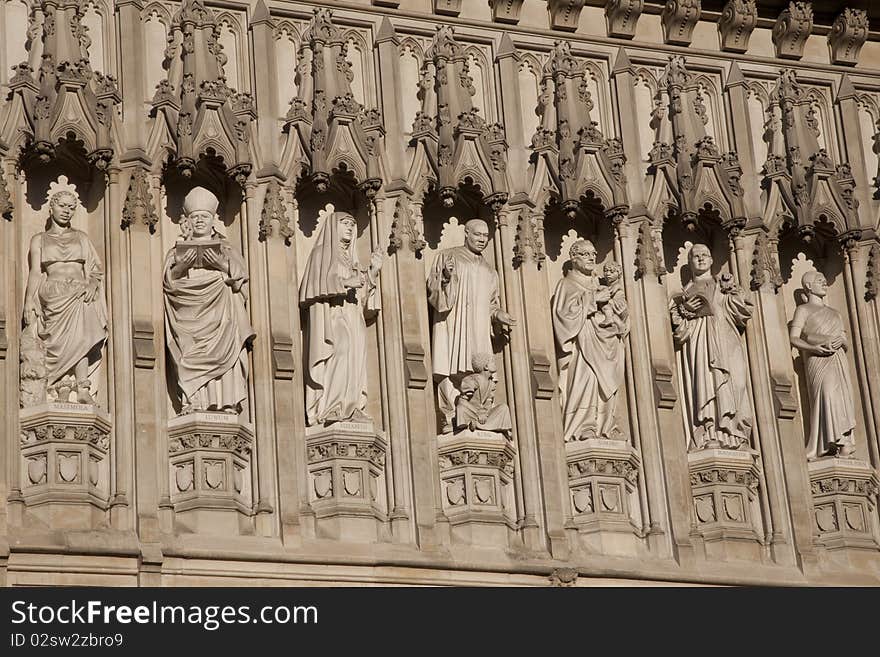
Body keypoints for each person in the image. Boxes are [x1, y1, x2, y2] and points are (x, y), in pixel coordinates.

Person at [163, 186, 255, 414]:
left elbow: (242, 281)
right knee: (188, 353)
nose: (199, 221)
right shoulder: (176, 251)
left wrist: (221, 264)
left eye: (204, 216)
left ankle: (225, 402)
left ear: (213, 220)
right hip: (188, 312)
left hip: (221, 311)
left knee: (224, 347)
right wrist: (181, 267)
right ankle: (194, 401)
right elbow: (168, 282)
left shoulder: (226, 248)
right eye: (195, 217)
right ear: (188, 221)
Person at [427, 219, 516, 433]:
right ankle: (449, 416)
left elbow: (491, 303)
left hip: (478, 331)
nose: (482, 240)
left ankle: (481, 413)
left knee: (480, 371)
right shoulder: (449, 257)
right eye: (478, 235)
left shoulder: (489, 270)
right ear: (466, 234)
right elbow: (435, 293)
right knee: (450, 368)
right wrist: (446, 278)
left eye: (486, 236)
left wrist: (498, 315)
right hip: (454, 325)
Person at [21, 189, 108, 404]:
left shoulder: (81, 237)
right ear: (51, 208)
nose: (66, 211)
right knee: (53, 341)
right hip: (53, 294)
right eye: (62, 206)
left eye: (71, 207)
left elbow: (96, 268)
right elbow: (35, 272)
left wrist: (92, 283)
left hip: (79, 292)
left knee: (82, 338)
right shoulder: (39, 240)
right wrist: (29, 301)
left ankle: (82, 387)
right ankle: (57, 385)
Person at [300, 212, 383, 426]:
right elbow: (313, 288)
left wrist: (372, 272)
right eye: (345, 224)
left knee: (355, 358)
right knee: (341, 350)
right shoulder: (321, 254)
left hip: (353, 316)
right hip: (333, 316)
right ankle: (331, 406)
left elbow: (364, 301)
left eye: (352, 225)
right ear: (333, 227)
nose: (349, 228)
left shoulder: (352, 259)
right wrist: (345, 282)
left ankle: (351, 406)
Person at [670, 243, 753, 450]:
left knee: (736, 385)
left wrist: (733, 292)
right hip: (701, 345)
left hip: (728, 343)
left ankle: (735, 434)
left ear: (712, 260)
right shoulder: (684, 293)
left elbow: (743, 312)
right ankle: (711, 434)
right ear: (689, 262)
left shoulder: (723, 286)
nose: (701, 258)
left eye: (705, 254)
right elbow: (678, 328)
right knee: (706, 384)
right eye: (696, 256)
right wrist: (685, 310)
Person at [552, 240, 628, 442]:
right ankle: (584, 425)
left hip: (606, 343)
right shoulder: (566, 284)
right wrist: (594, 300)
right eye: (585, 254)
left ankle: (605, 425)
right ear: (573, 258)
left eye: (593, 254)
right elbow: (563, 316)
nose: (592, 258)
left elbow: (621, 314)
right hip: (583, 342)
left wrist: (619, 314)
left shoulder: (600, 284)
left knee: (606, 384)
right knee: (585, 380)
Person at [789, 271, 856, 459]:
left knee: (842, 398)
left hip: (837, 358)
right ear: (808, 286)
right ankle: (824, 443)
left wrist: (839, 342)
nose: (825, 283)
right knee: (825, 395)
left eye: (825, 281)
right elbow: (794, 338)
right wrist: (814, 346)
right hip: (817, 359)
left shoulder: (835, 313)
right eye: (820, 281)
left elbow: (846, 342)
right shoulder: (803, 310)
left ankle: (844, 441)